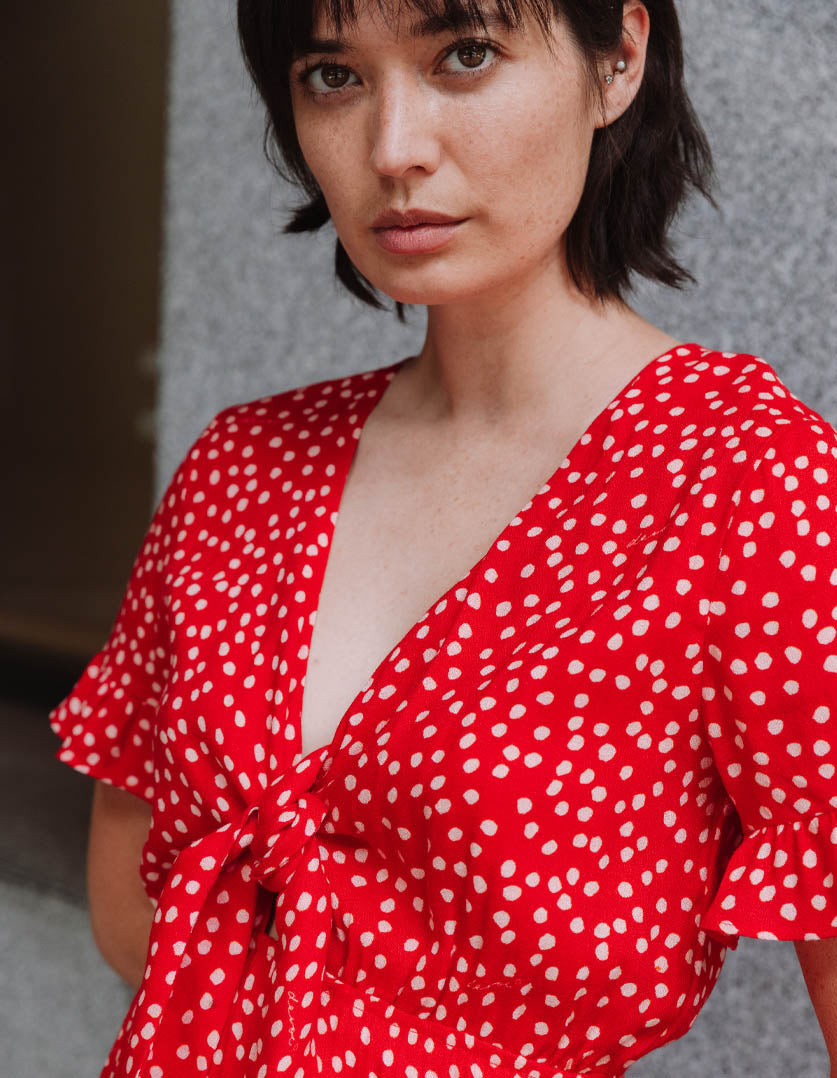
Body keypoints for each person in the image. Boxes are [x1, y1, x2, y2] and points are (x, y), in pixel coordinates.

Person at [48, 0, 837, 1075]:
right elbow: (132, 908)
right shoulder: (242, 470)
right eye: (334, 76)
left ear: (619, 60)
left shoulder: (747, 482)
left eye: (465, 55)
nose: (394, 148)